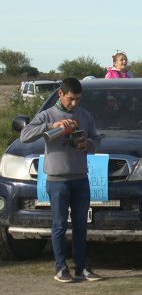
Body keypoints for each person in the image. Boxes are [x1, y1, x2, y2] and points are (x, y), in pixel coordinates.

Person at [19, 78, 102, 283]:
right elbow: (24, 135)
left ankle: (81, 267)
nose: (74, 104)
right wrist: (51, 125)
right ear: (60, 94)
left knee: (81, 226)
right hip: (57, 180)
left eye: (78, 100)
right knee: (59, 225)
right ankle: (60, 268)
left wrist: (88, 144)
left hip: (80, 178)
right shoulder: (47, 115)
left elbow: (97, 139)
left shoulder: (85, 116)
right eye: (71, 99)